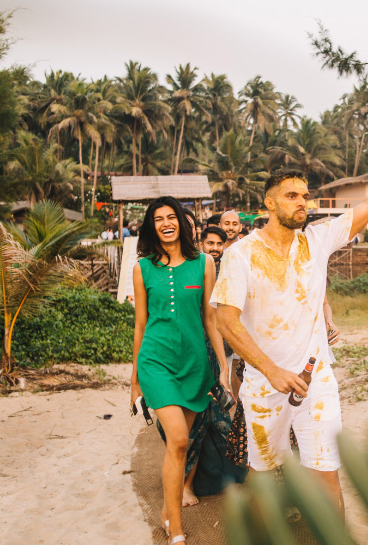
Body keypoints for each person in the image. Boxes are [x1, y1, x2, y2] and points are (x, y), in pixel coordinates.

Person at [212, 135, 368, 516]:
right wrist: (271, 371)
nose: (302, 203)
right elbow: (225, 319)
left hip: (316, 381)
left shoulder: (317, 239)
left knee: (327, 473)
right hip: (263, 387)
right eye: (291, 195)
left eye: (305, 196)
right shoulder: (241, 255)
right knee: (262, 481)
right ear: (269, 202)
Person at [130, 196, 232, 544]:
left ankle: (166, 511)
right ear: (151, 226)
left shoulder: (204, 263)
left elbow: (211, 318)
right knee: (177, 438)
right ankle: (176, 529)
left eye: (171, 216)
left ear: (182, 223)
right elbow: (140, 325)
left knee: (181, 447)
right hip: (156, 362)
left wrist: (221, 367)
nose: (165, 223)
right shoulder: (142, 268)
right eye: (157, 219)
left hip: (194, 365)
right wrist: (134, 383)